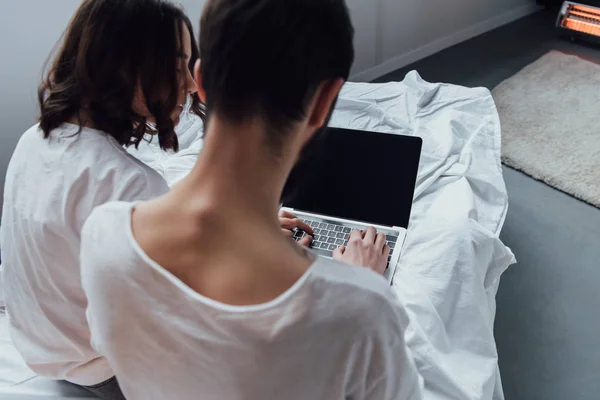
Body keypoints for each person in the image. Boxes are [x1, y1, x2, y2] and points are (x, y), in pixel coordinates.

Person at [80, 0, 424, 399]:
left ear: (201, 80)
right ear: (326, 100)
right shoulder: (362, 311)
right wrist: (362, 280)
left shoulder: (102, 234)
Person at [0, 1, 202, 398]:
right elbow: (175, 312)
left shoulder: (33, 142)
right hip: (112, 375)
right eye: (178, 67)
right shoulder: (131, 183)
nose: (192, 86)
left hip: (44, 352)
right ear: (125, 66)